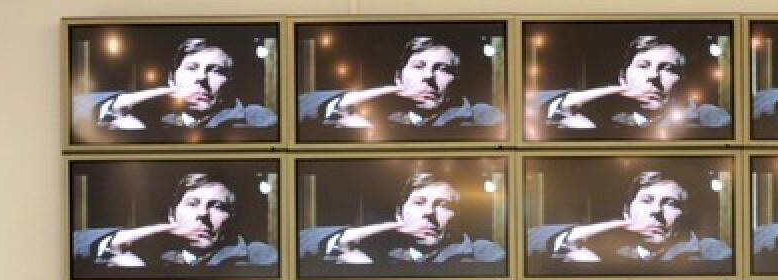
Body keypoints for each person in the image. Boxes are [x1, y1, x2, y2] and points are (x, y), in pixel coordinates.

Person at [73, 173, 278, 271]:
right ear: (172, 215)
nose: (203, 214)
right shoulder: (154, 258)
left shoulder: (259, 257)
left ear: (230, 218)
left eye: (217, 206)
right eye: (192, 204)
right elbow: (73, 242)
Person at [299, 172, 504, 266]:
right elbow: (298, 244)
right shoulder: (383, 258)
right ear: (399, 215)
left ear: (457, 217)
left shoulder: (483, 254)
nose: (429, 213)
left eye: (443, 205)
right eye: (419, 202)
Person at [298, 36, 503, 129]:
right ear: (399, 78)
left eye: (442, 69)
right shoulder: (384, 115)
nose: (428, 77)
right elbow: (296, 109)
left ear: (456, 79)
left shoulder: (480, 115)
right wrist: (386, 90)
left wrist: (369, 132)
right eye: (419, 66)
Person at [533, 35, 730, 132]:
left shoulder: (709, 117)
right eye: (643, 66)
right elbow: (532, 104)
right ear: (622, 78)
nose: (653, 75)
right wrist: (614, 90)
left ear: (683, 80)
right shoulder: (607, 122)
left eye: (668, 68)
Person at [74, 38, 278, 130]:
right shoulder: (154, 117)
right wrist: (119, 104)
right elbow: (73, 107)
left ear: (230, 82)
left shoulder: (255, 117)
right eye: (192, 68)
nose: (201, 78)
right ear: (172, 79)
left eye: (215, 70)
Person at [527, 171, 731, 264]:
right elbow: (527, 240)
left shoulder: (710, 251)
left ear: (683, 213)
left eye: (670, 203)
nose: (656, 212)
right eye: (647, 200)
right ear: (627, 212)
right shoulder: (608, 251)